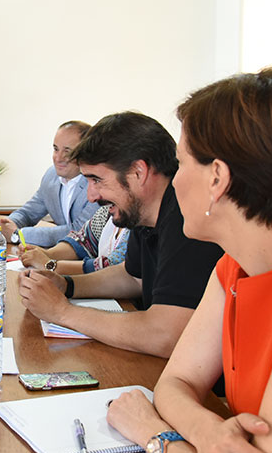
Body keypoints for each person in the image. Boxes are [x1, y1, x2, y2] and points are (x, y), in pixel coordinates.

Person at [106, 69, 272, 453]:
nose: (173, 182)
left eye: (180, 164)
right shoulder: (232, 266)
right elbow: (176, 382)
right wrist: (205, 430)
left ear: (217, 178)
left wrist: (157, 437)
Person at [18, 111, 223, 358]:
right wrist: (67, 285)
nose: (91, 196)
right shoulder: (142, 212)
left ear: (138, 172)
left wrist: (62, 312)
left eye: (97, 180)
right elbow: (133, 277)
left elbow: (165, 334)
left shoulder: (186, 219)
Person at [0, 121, 98, 247]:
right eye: (56, 149)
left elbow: (80, 231)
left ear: (85, 153)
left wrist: (19, 235)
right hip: (61, 253)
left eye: (67, 151)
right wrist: (7, 223)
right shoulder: (52, 175)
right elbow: (28, 213)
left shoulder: (96, 184)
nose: (58, 158)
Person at [19, 204, 129, 275]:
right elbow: (83, 241)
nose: (90, 197)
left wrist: (50, 265)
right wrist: (49, 254)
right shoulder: (106, 210)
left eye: (97, 181)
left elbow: (113, 268)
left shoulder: (136, 223)